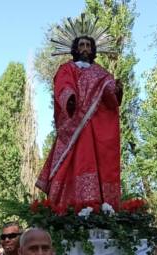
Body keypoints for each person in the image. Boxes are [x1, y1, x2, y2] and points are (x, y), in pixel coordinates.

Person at [36, 35, 123, 211]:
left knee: (97, 161)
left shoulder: (101, 73)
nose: (84, 48)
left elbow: (110, 96)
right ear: (75, 49)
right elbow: (63, 85)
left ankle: (99, 205)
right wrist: (69, 98)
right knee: (73, 160)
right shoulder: (67, 68)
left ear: (93, 49)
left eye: (88, 45)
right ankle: (68, 204)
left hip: (95, 127)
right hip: (74, 126)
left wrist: (116, 91)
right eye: (81, 45)